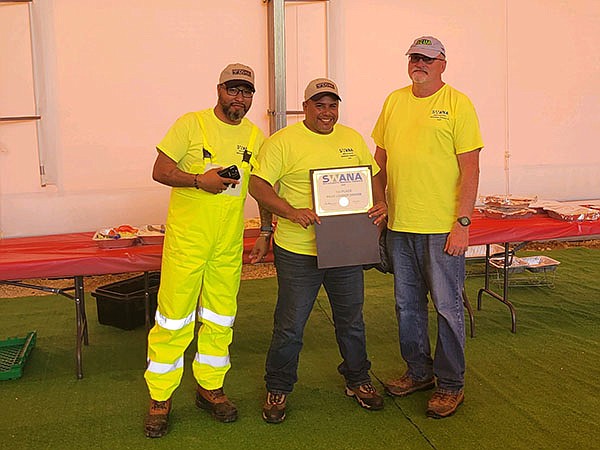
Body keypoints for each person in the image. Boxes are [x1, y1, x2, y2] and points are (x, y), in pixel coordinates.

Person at [249, 78, 388, 424]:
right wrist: (289, 212)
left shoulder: (352, 138)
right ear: (306, 106)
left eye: (332, 105)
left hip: (344, 248)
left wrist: (381, 202)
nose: (327, 112)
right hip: (298, 251)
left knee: (351, 320)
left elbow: (372, 175)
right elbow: (257, 184)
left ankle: (358, 379)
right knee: (290, 325)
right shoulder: (283, 142)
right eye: (319, 105)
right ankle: (278, 386)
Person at [143, 63, 269, 438]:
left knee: (220, 319)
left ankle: (210, 387)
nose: (239, 98)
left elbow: (260, 185)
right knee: (173, 320)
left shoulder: (254, 135)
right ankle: (160, 397)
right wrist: (199, 180)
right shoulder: (191, 124)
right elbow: (160, 170)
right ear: (219, 89)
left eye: (246, 92)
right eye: (233, 90)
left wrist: (265, 229)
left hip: (227, 246)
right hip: (187, 244)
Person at [372, 36, 483, 419]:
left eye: (427, 58)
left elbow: (471, 168)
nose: (419, 63)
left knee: (448, 308)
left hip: (441, 228)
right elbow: (379, 164)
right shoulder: (394, 101)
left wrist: (462, 222)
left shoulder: (458, 104)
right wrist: (382, 202)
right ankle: (419, 372)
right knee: (407, 306)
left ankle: (451, 385)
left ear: (442, 64)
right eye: (414, 57)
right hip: (401, 226)